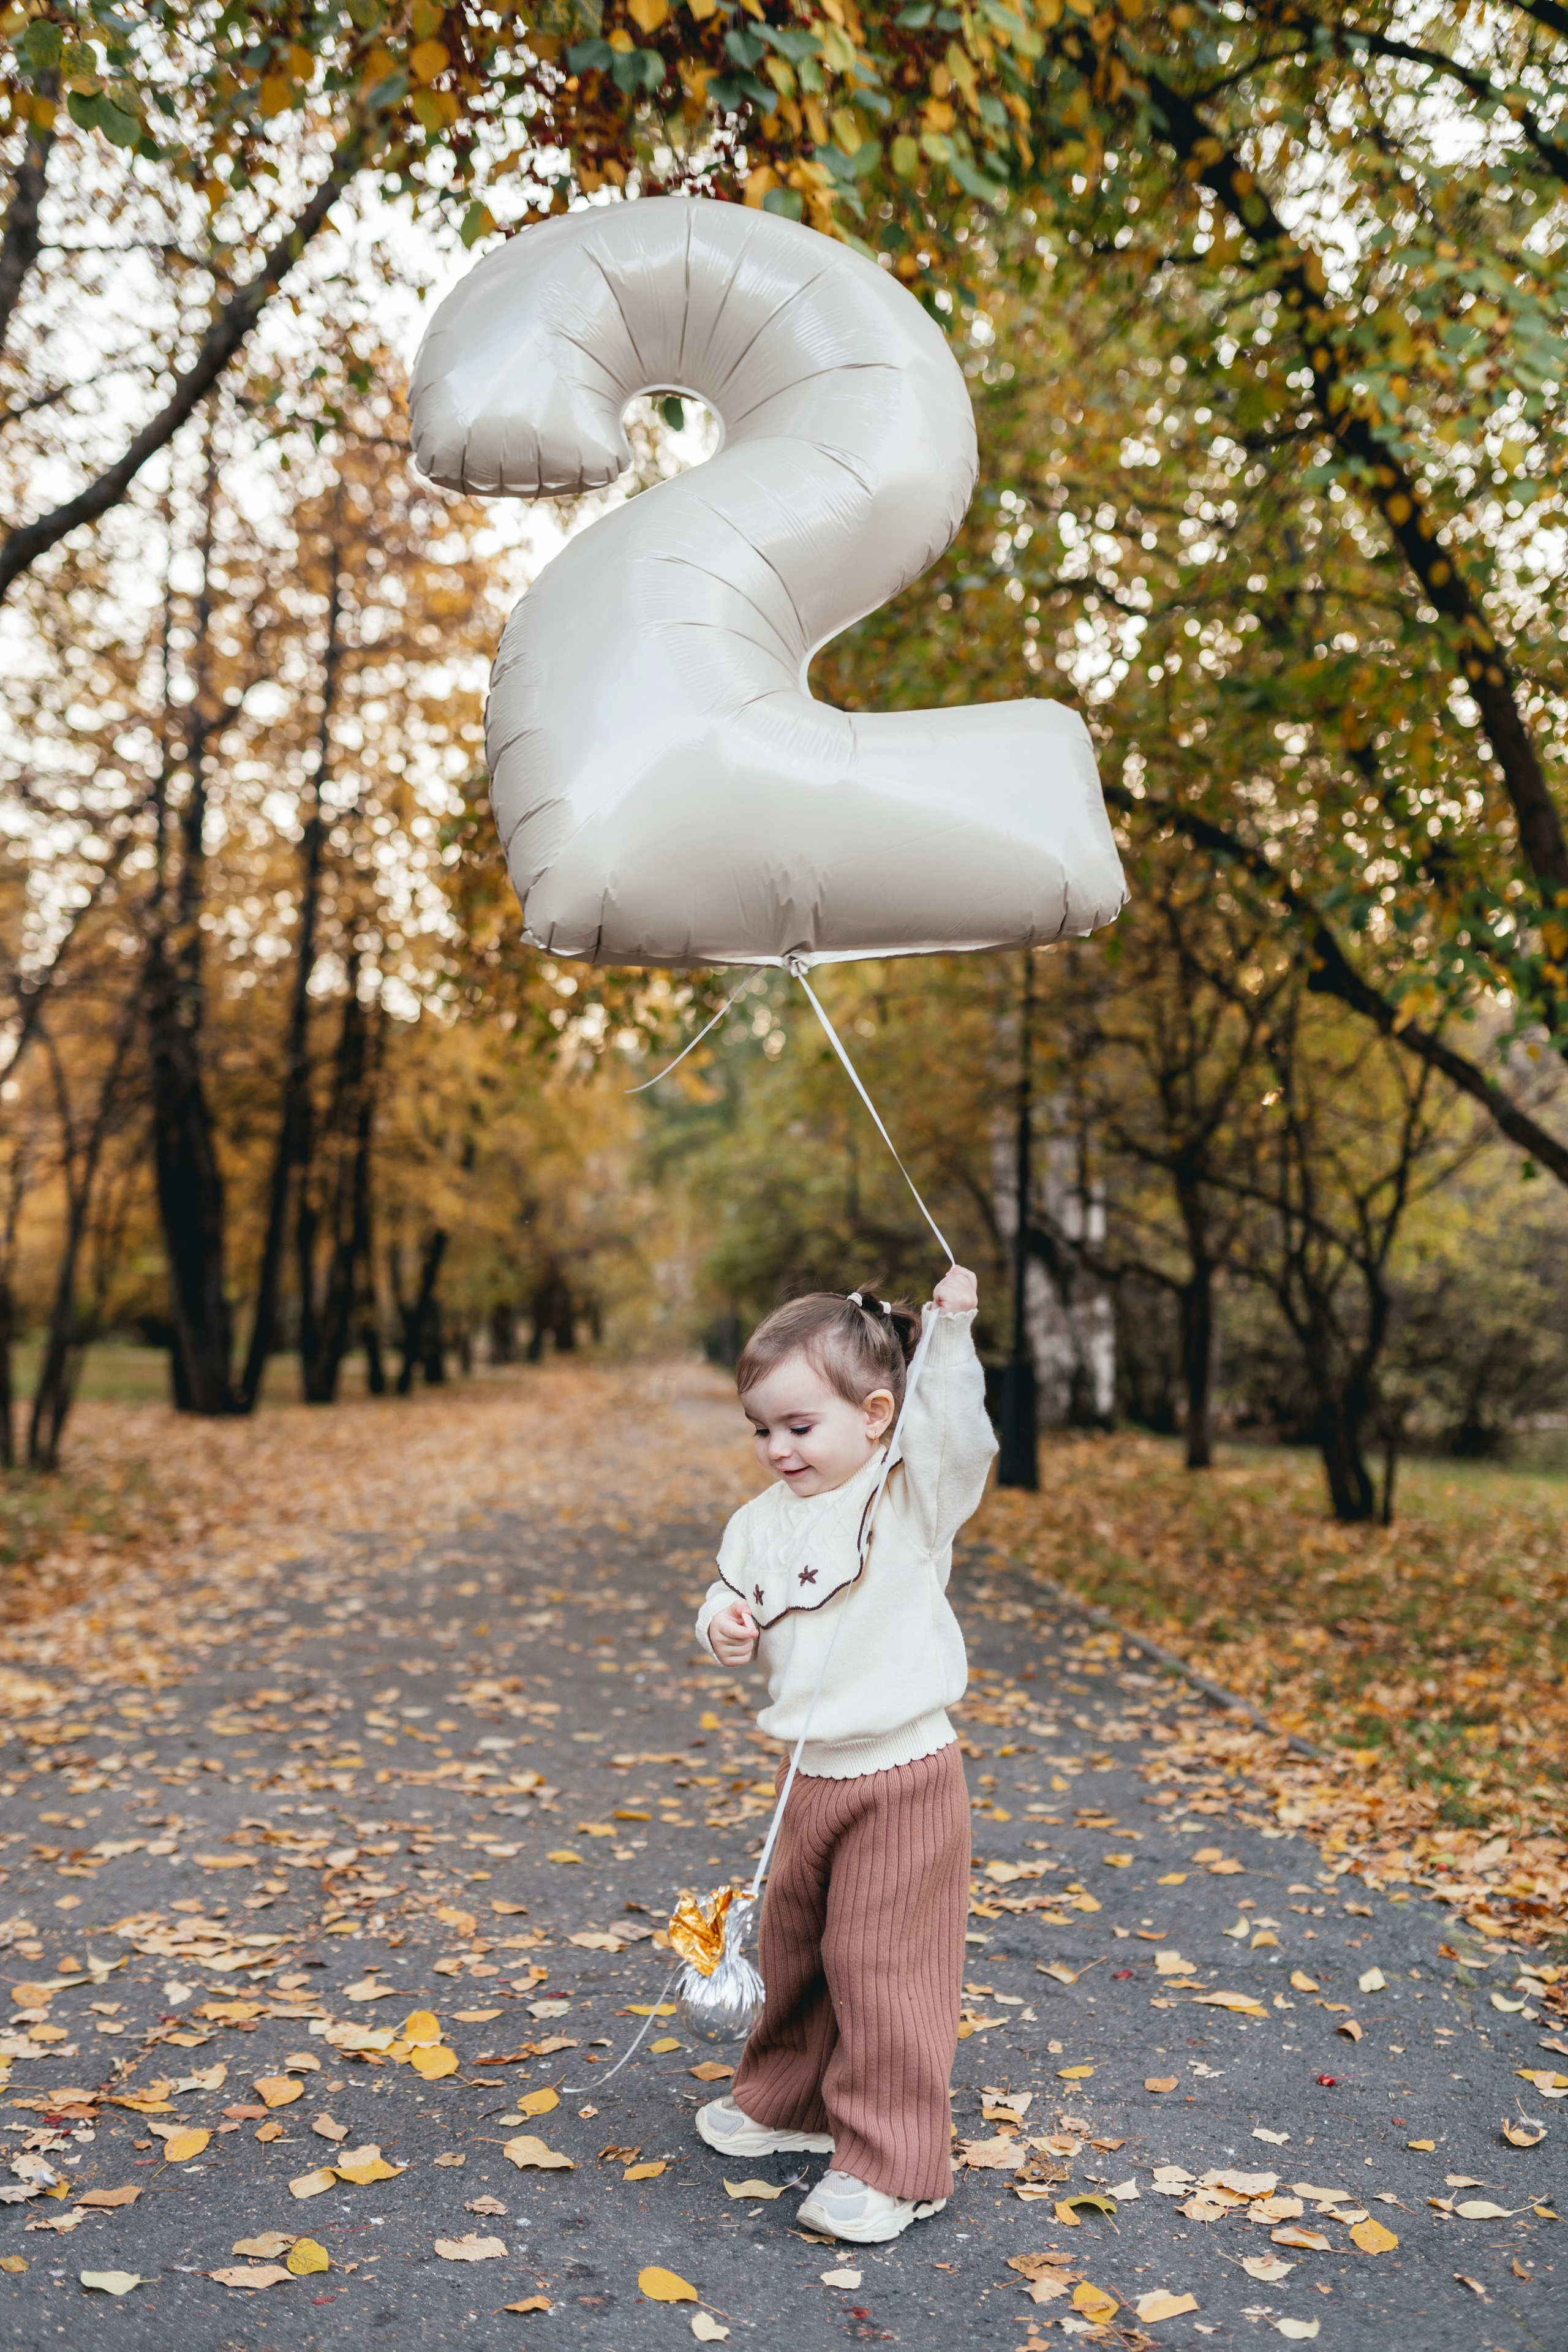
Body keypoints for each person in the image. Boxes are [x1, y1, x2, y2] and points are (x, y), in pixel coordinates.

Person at [691, 1265, 997, 2243]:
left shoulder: (908, 1497)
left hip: (904, 1777)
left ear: (874, 1418)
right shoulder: (759, 1521)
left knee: (880, 1963)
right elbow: (729, 1589)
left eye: (798, 1426)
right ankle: (792, 2101)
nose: (777, 1449)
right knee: (796, 1944)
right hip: (810, 1775)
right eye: (762, 1430)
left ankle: (895, 2161)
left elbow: (956, 1439)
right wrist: (722, 1623)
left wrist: (950, 1338)